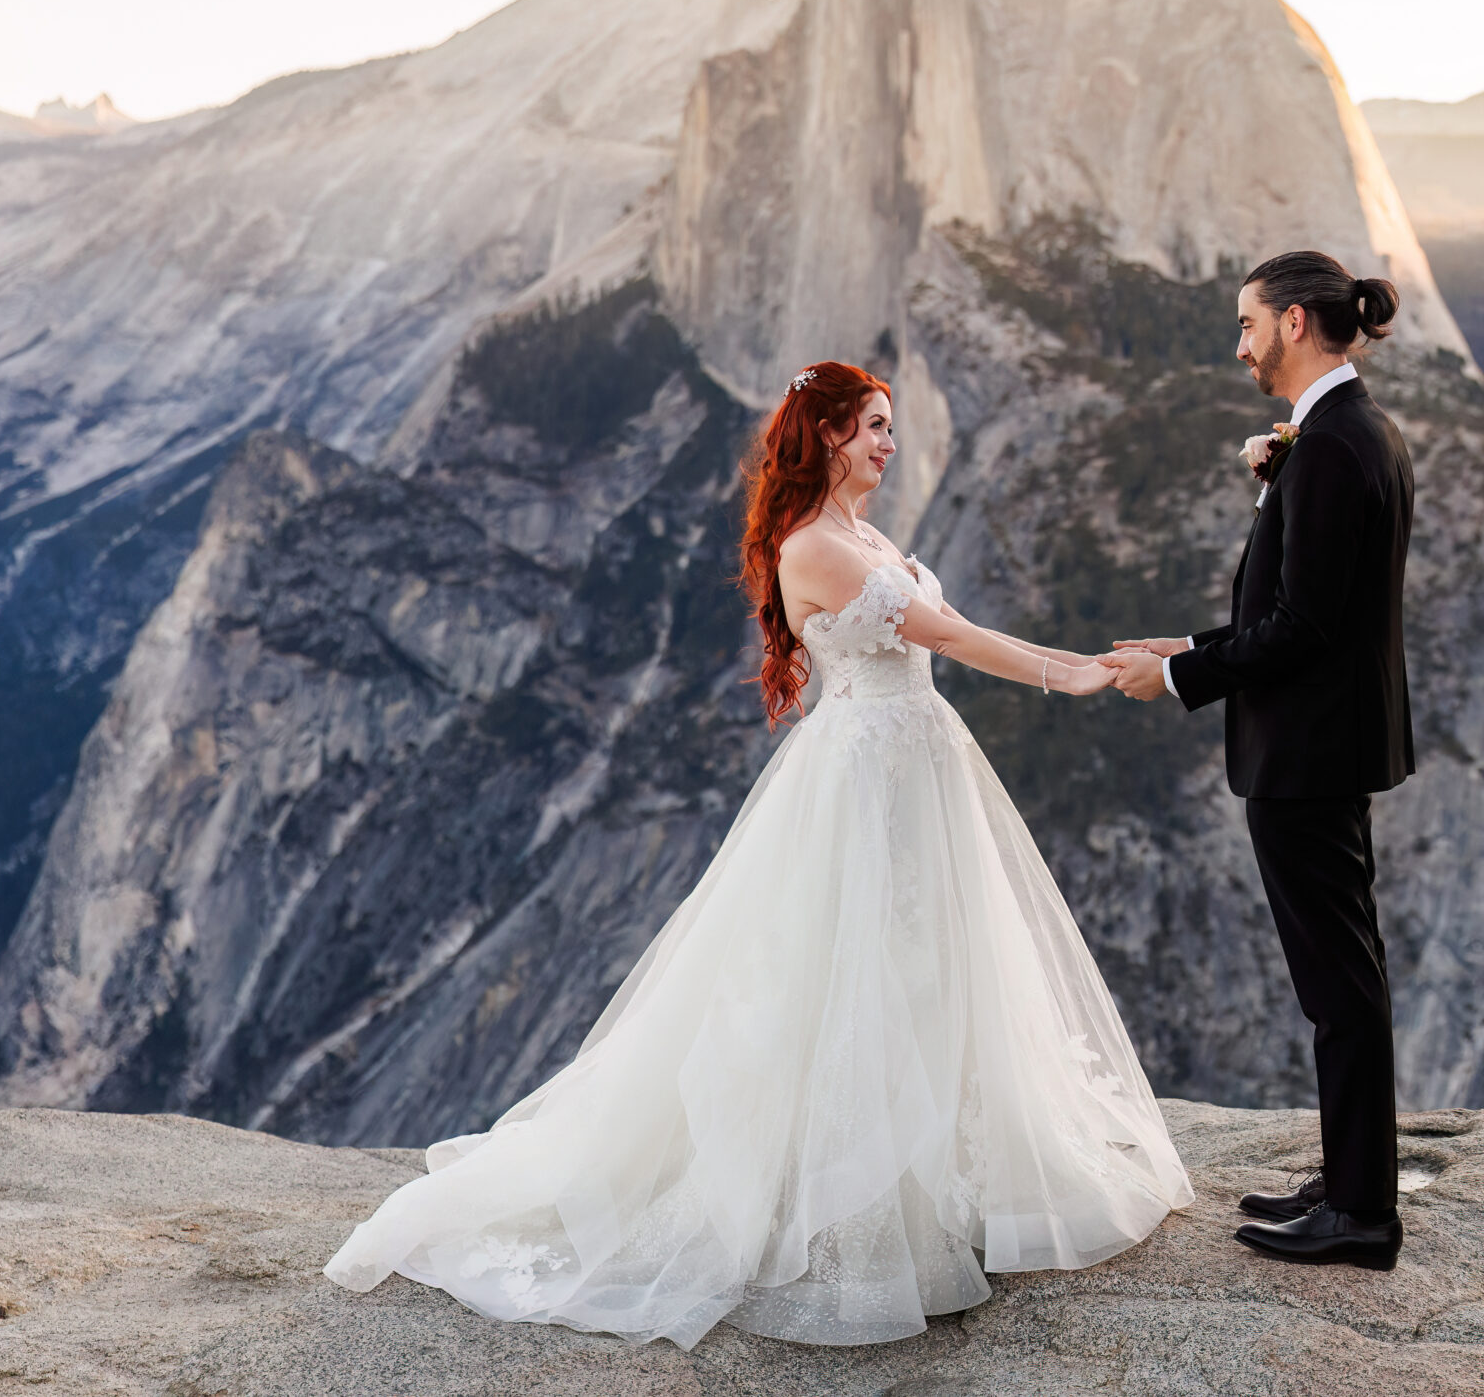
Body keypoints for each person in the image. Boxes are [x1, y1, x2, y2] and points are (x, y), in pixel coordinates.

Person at [325, 360, 1192, 1346]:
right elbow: (942, 631)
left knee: (932, 964)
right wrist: (1070, 674)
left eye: (889, 425)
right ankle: (862, 1193)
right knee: (853, 972)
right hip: (863, 783)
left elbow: (922, 633)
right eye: (872, 425)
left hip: (917, 772)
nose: (888, 443)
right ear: (825, 434)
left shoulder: (863, 535)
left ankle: (945, 1171)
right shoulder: (816, 549)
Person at [1109, 250, 1415, 1271]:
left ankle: (1362, 1212)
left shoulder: (1328, 447)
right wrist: (1188, 646)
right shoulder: (1344, 432)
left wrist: (1185, 680)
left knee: (1337, 986)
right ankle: (1351, 1176)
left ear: (1291, 323)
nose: (1237, 346)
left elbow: (1303, 629)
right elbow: (1295, 613)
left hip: (1307, 753)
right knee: (1345, 975)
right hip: (1324, 744)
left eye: (1245, 326)